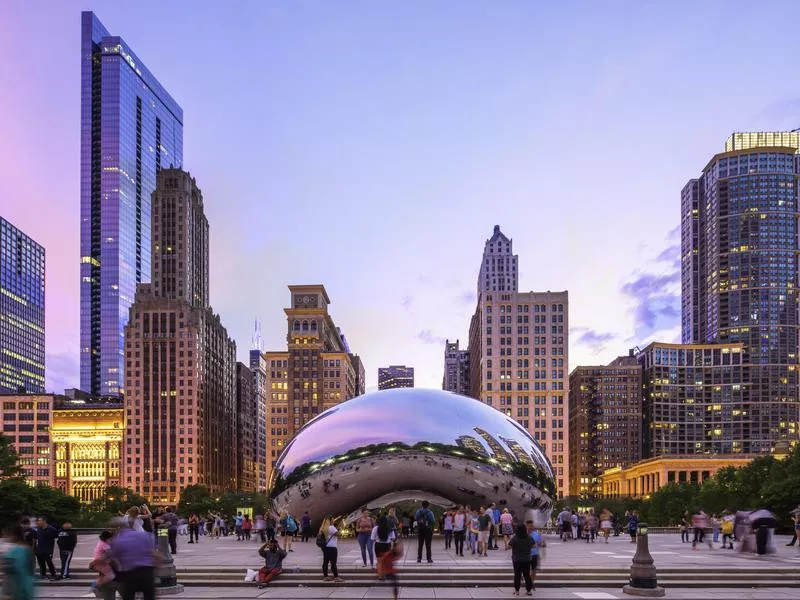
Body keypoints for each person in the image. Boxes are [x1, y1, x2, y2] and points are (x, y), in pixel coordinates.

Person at [108, 517, 157, 600]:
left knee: (128, 596)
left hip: (129, 574)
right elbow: (156, 555)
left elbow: (112, 560)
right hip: (147, 572)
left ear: (119, 528)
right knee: (149, 596)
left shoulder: (117, 541)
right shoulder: (146, 535)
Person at [2, 525, 35, 600]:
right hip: (25, 587)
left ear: (14, 536)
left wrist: (7, 593)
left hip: (16, 587)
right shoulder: (27, 550)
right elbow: (30, 571)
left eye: (8, 536)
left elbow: (9, 571)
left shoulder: (12, 552)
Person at [88, 530, 117, 600]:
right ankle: (95, 586)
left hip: (101, 562)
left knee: (104, 577)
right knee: (110, 576)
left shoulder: (101, 542)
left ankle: (96, 586)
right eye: (110, 539)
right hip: (101, 563)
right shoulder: (105, 544)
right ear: (105, 539)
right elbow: (109, 554)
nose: (112, 541)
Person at [509, 524, 534, 596]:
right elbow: (534, 545)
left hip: (516, 560)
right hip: (527, 559)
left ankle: (517, 591)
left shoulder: (515, 538)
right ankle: (529, 591)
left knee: (517, 575)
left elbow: (509, 546)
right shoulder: (529, 538)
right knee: (527, 575)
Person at [318, 517, 344, 583]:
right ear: (330, 521)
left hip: (325, 547)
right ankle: (336, 577)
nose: (333, 521)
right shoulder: (331, 527)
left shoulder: (322, 528)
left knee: (325, 562)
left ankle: (325, 576)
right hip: (332, 547)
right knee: (333, 562)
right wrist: (339, 529)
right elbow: (338, 534)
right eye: (332, 520)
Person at [372, 515, 396, 580]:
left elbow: (372, 538)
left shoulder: (375, 528)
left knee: (379, 562)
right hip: (386, 545)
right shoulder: (390, 528)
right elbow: (393, 538)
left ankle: (380, 576)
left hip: (378, 545)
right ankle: (385, 575)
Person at [526, 520, 545, 590]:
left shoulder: (537, 534)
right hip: (526, 555)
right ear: (526, 526)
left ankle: (532, 583)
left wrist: (542, 544)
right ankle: (528, 582)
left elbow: (541, 544)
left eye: (531, 525)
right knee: (526, 570)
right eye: (529, 525)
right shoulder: (524, 534)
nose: (530, 527)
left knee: (534, 570)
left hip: (534, 555)